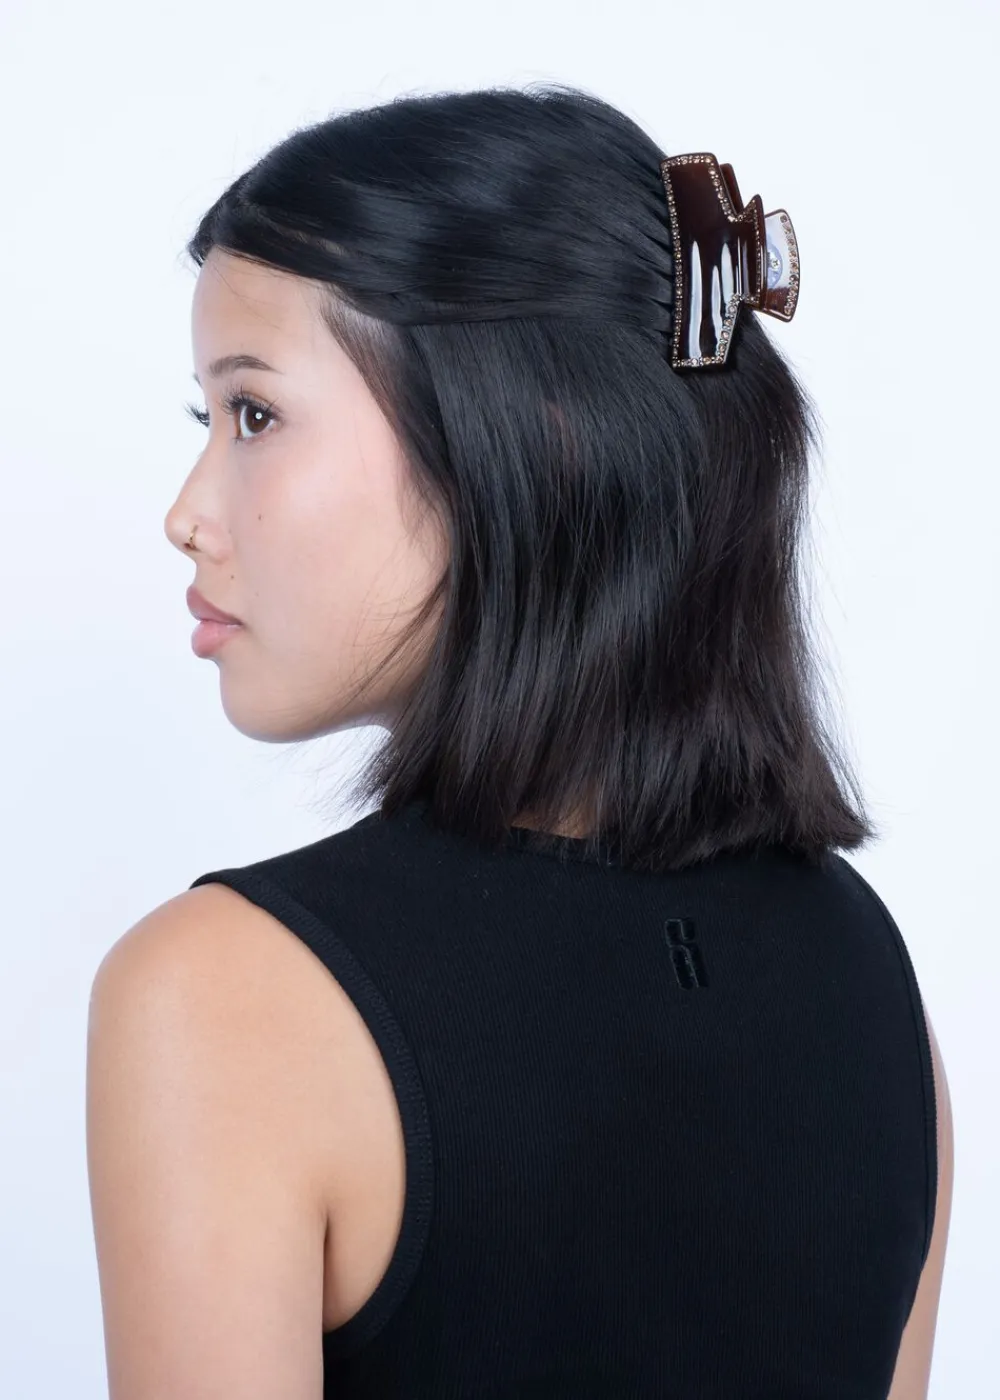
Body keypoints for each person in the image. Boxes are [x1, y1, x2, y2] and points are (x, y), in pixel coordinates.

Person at [86, 85, 953, 1399]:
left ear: (530, 440)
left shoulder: (227, 1001)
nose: (187, 512)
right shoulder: (875, 987)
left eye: (253, 414)